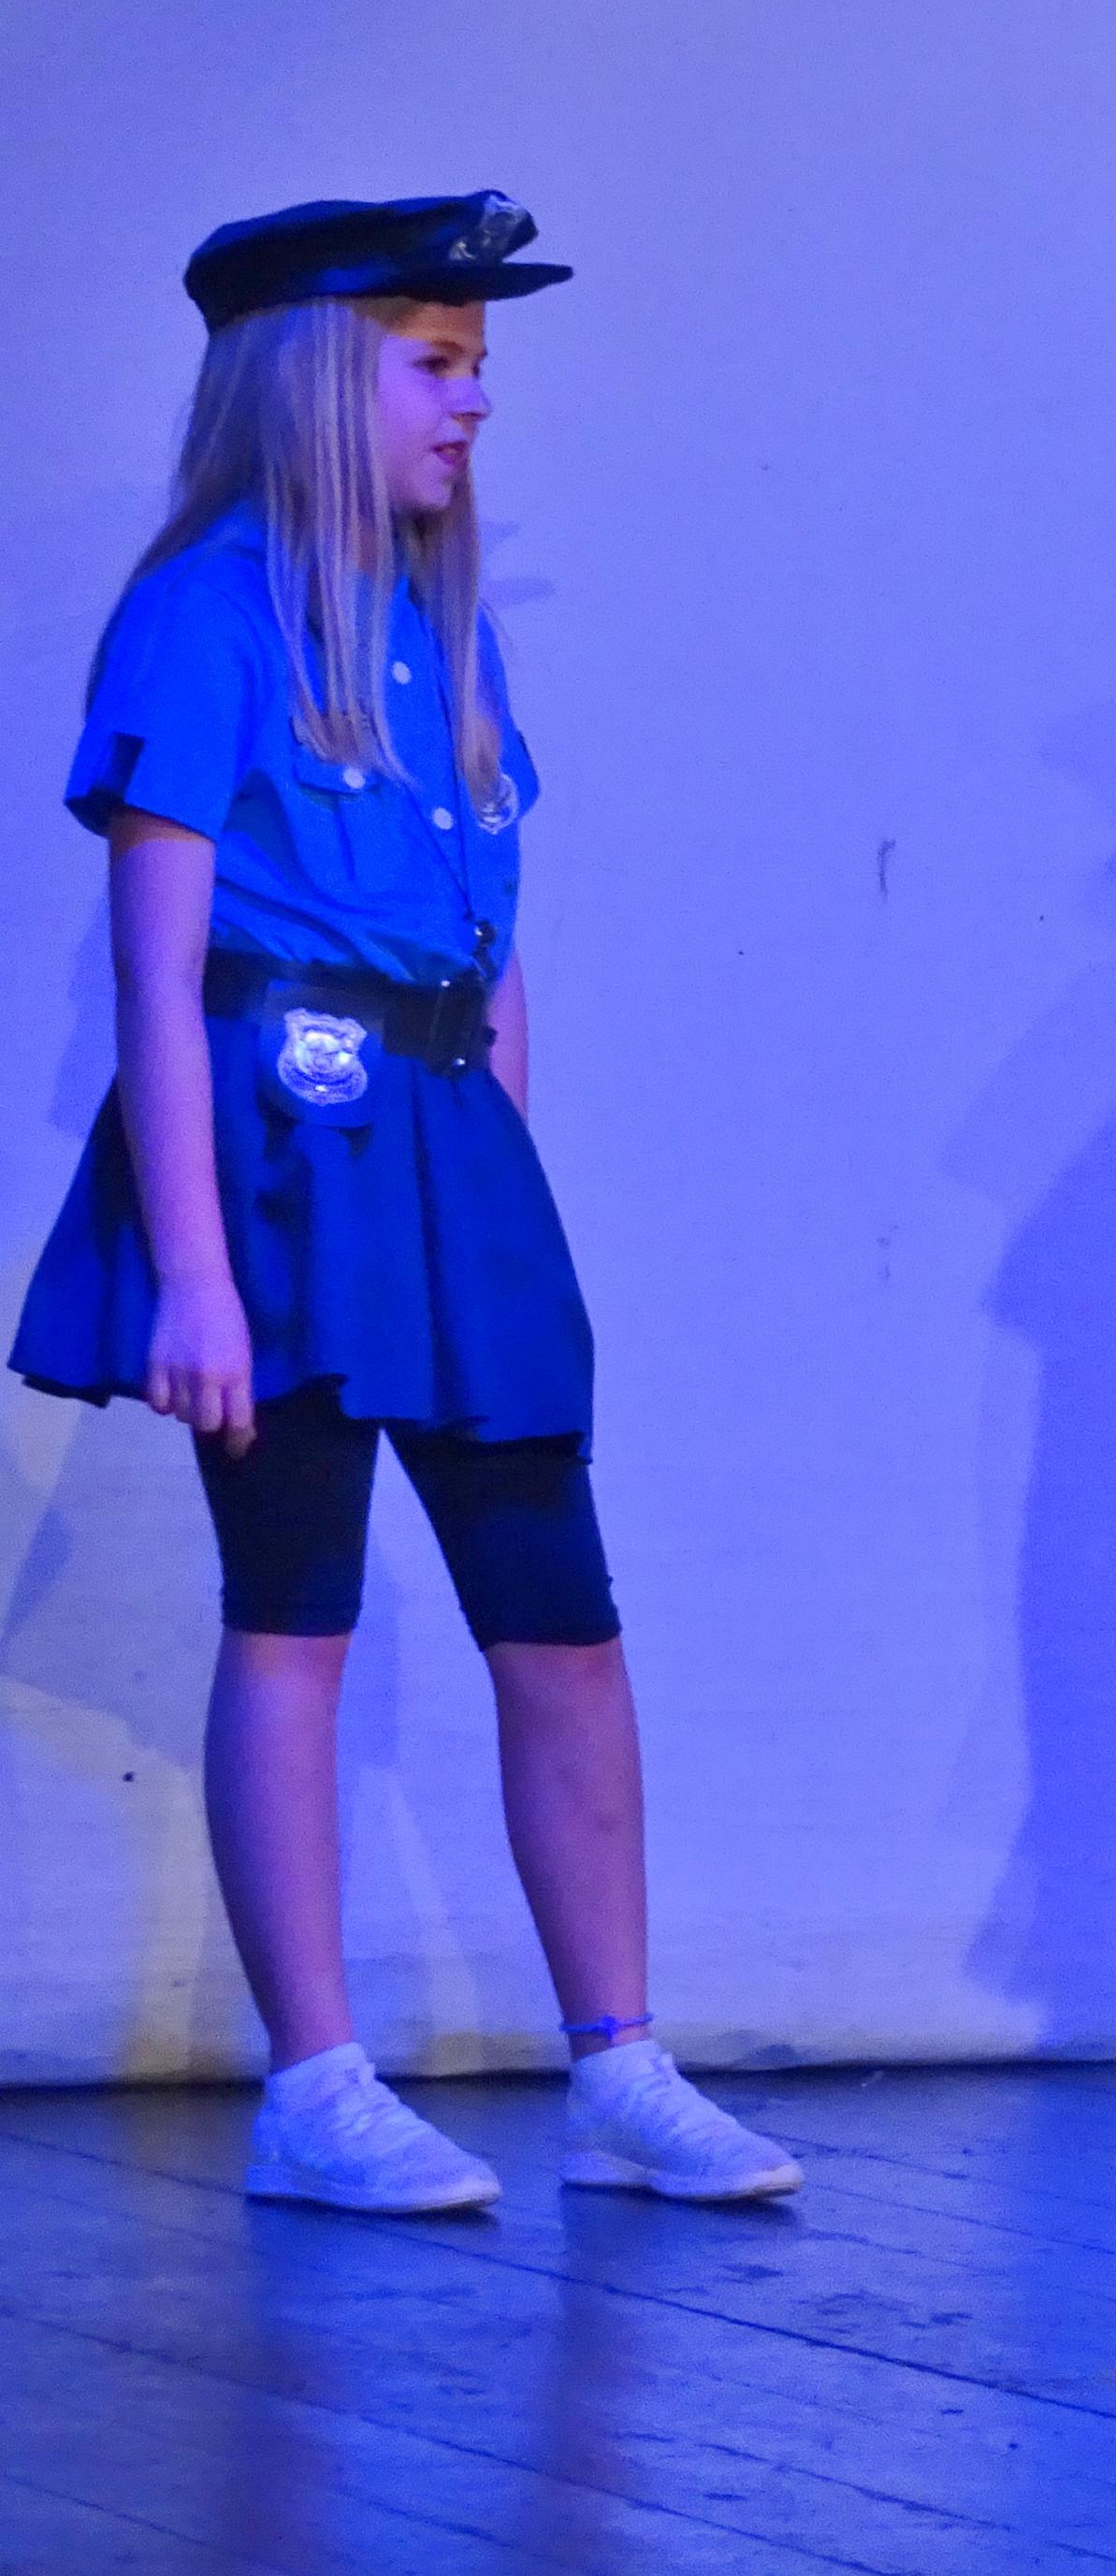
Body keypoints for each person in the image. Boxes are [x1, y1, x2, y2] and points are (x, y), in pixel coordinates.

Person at [10, 193, 799, 2215]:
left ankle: (619, 2061)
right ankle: (316, 2083)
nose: (473, 405)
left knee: (564, 1620)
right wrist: (194, 1271)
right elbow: (155, 976)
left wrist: (501, 1174)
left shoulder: (443, 624)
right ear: (312, 381)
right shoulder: (206, 614)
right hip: (281, 1153)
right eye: (434, 364)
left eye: (479, 368)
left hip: (445, 1158)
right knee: (297, 1614)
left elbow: (489, 945)